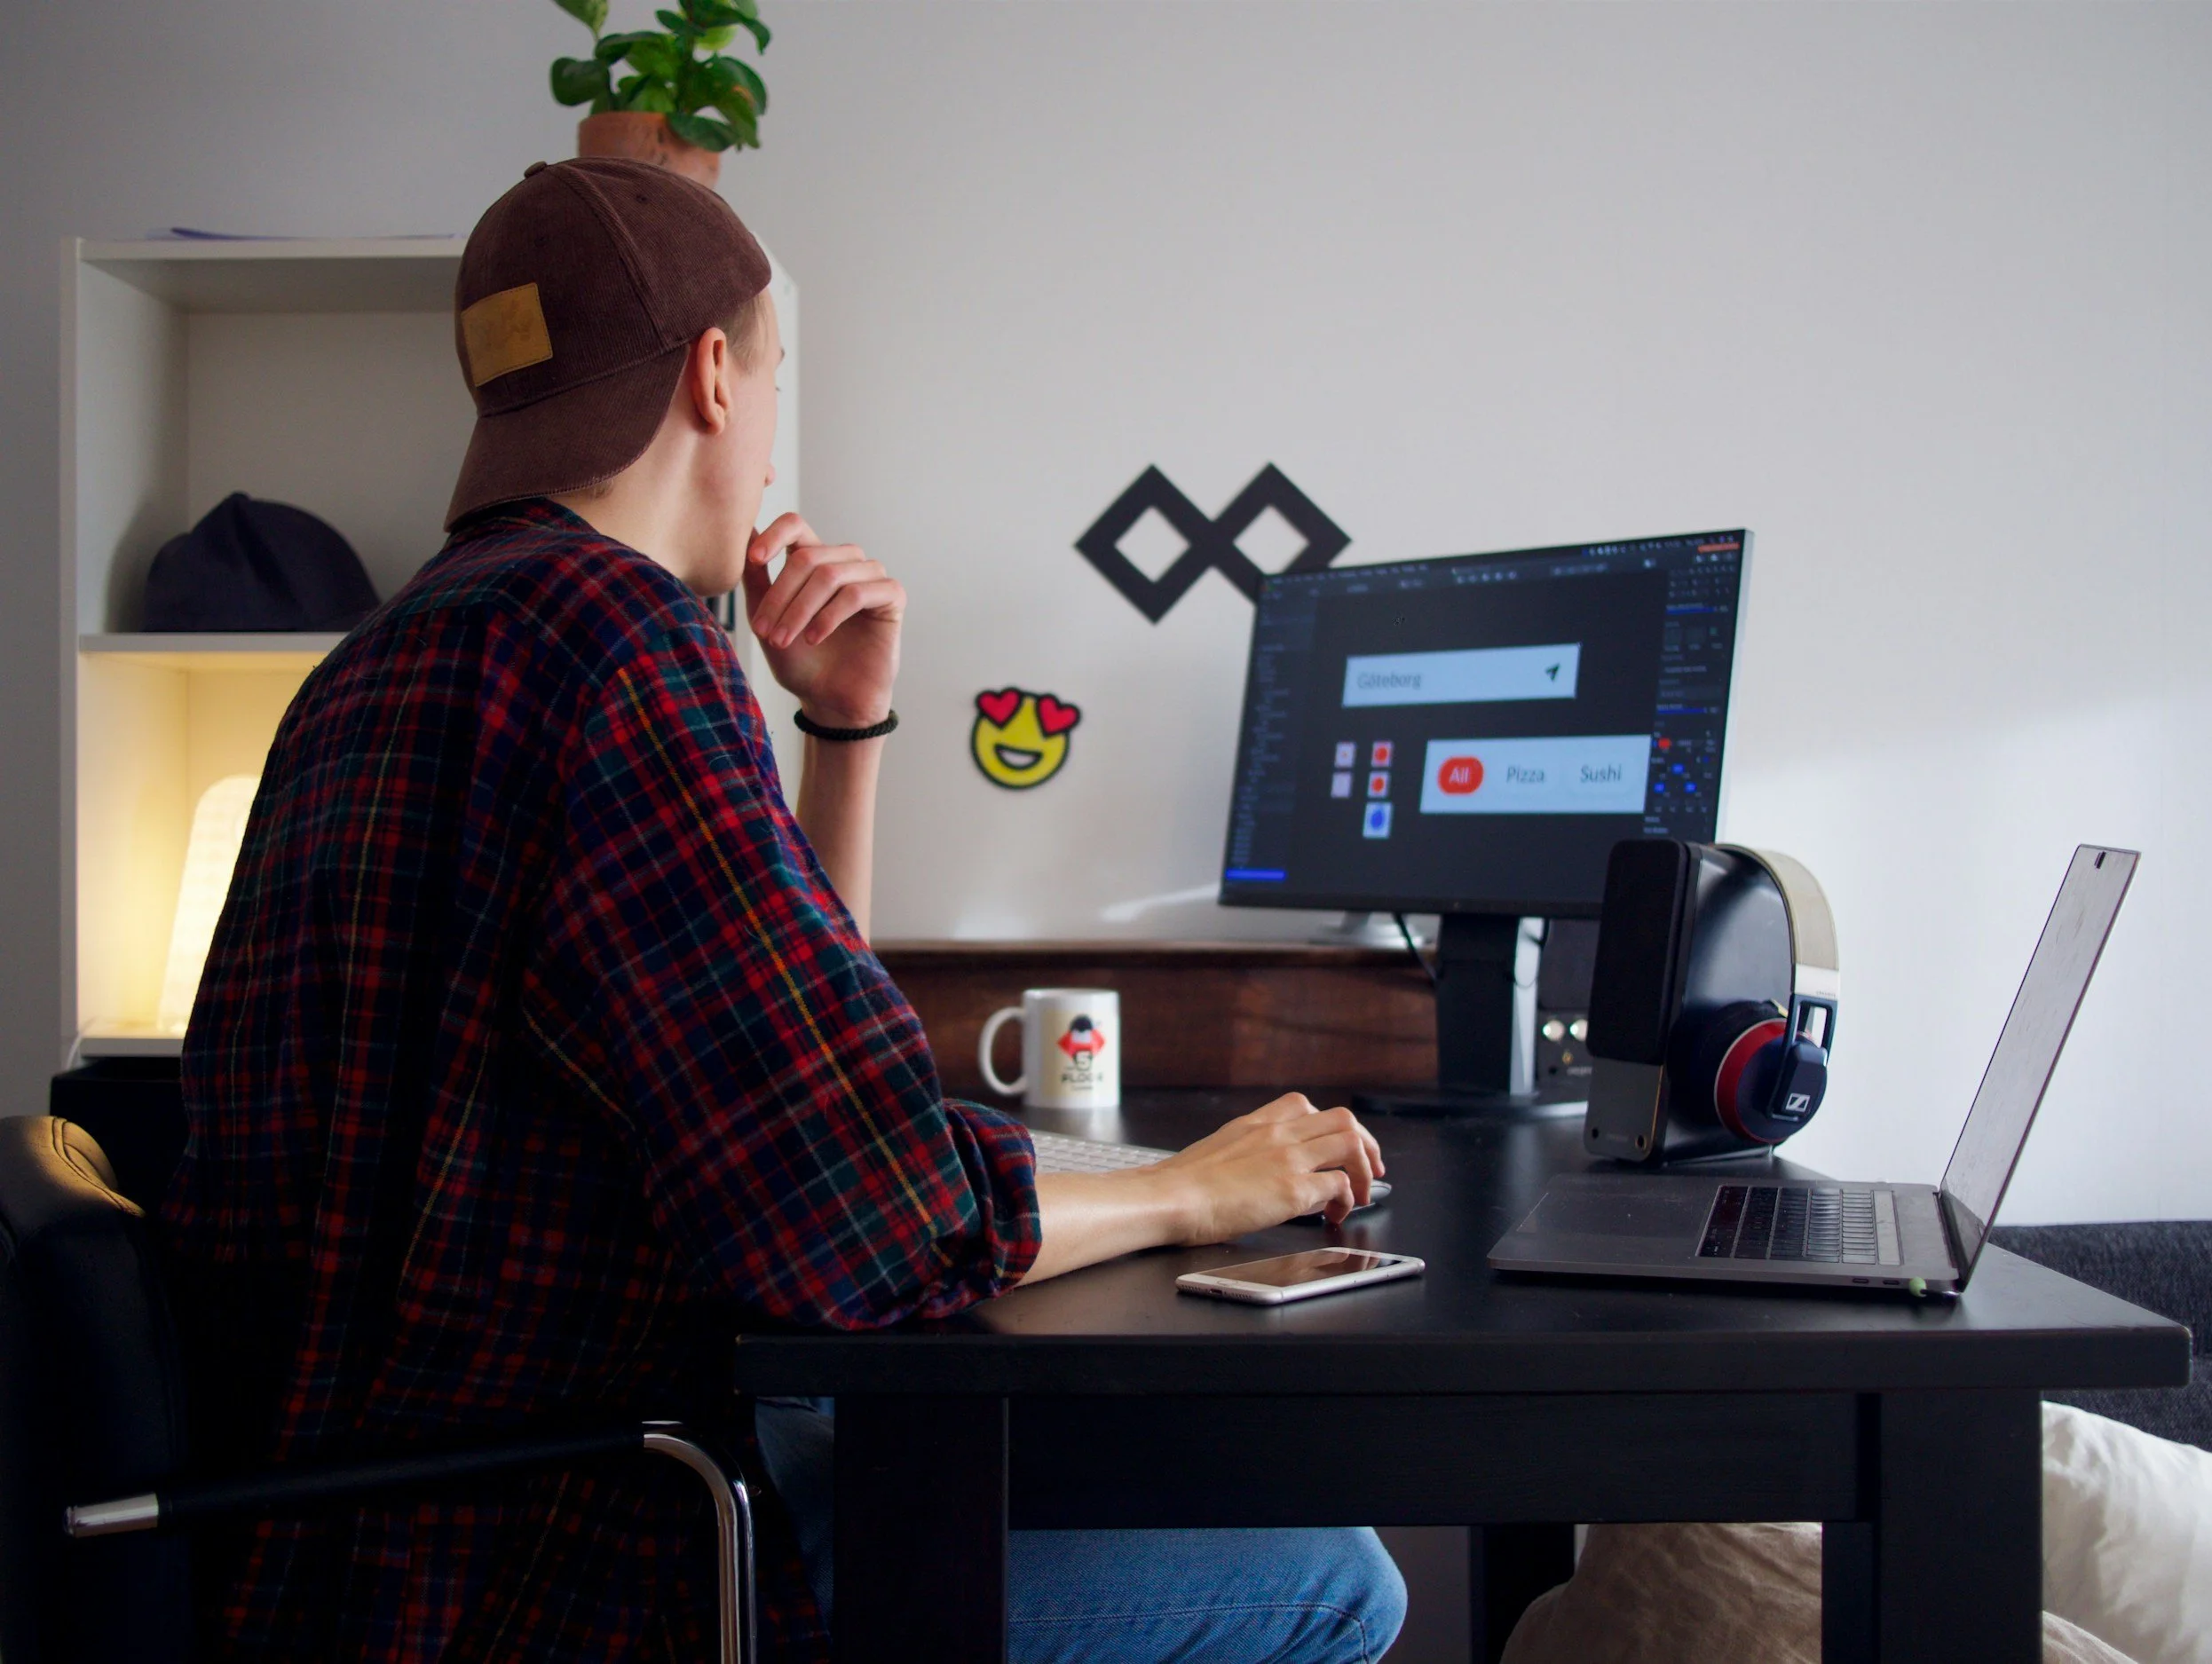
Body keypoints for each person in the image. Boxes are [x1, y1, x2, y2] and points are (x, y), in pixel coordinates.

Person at [160, 157, 1405, 1664]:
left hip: (346, 1545)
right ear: (711, 379)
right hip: (568, 1561)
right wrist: (1197, 1188)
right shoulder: (613, 648)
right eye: (772, 380)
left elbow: (782, 1074)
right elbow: (859, 1221)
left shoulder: (377, 659)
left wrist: (843, 733)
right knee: (1339, 1577)